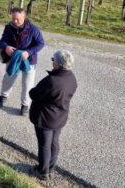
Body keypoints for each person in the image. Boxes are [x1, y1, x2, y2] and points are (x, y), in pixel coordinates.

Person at [29, 50, 78, 181]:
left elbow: (34, 94)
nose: (52, 61)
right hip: (60, 117)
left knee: (45, 145)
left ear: (59, 63)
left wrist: (32, 90)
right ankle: (50, 168)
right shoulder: (71, 77)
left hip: (45, 118)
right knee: (54, 143)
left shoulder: (52, 81)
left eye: (53, 59)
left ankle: (42, 172)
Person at [0, 7, 45, 116]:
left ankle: (25, 105)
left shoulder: (33, 29)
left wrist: (28, 52)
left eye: (17, 19)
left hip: (29, 60)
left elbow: (41, 43)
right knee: (9, 77)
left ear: (24, 17)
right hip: (13, 58)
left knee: (28, 83)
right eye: (13, 18)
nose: (14, 21)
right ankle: (3, 97)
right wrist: (6, 47)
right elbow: (3, 40)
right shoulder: (9, 27)